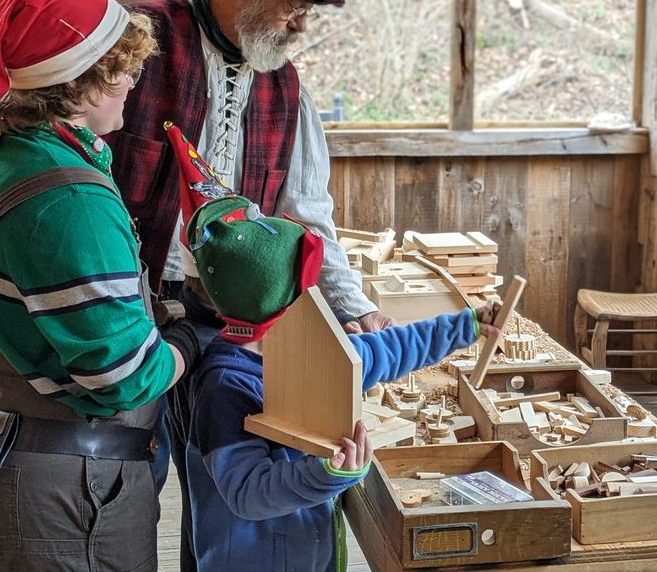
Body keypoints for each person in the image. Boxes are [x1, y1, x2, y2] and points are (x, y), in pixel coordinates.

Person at [107, 0, 399, 566]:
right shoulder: (135, 40)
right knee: (129, 487)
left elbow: (307, 214)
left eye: (307, 18)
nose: (302, 29)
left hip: (235, 329)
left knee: (224, 496)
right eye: (294, 11)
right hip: (132, 317)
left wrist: (352, 306)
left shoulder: (286, 83)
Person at [0, 0, 199, 571]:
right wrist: (189, 341)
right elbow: (123, 377)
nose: (133, 80)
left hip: (2, 458)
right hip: (70, 494)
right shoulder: (68, 199)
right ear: (69, 83)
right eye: (116, 71)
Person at [178, 190, 498, 571]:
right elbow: (247, 492)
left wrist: (467, 325)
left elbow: (389, 349)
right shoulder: (224, 388)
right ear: (283, 300)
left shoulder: (309, 347)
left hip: (309, 551)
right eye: (307, 287)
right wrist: (326, 474)